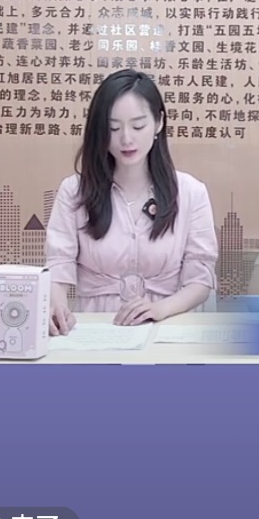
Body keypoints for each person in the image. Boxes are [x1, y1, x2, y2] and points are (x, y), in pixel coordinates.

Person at [45, 71, 217, 334]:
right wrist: (56, 307)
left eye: (138, 126)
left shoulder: (191, 193)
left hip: (165, 330)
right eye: (113, 128)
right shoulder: (74, 192)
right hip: (96, 331)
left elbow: (201, 280)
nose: (126, 138)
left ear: (158, 123)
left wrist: (159, 309)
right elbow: (59, 264)